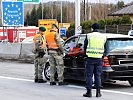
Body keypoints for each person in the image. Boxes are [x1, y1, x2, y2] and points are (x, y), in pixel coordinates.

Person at [83, 23, 106, 97]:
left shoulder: (89, 35)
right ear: (98, 28)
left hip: (90, 58)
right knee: (98, 75)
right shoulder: (103, 36)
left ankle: (89, 92)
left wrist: (86, 55)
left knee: (89, 75)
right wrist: (102, 55)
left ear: (92, 28)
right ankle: (98, 92)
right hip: (99, 58)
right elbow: (105, 47)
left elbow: (85, 46)